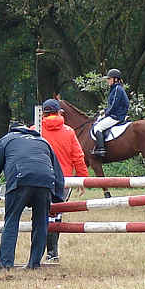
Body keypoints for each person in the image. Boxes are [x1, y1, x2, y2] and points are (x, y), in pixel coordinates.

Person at [0, 122, 65, 272]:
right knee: (41, 223)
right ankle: (34, 264)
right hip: (45, 181)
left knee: (11, 221)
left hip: (20, 179)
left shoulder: (7, 139)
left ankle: (5, 265)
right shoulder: (43, 141)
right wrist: (57, 200)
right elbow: (58, 172)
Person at [33, 98, 89, 263]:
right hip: (63, 180)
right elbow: (78, 156)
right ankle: (52, 252)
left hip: (40, 178)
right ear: (59, 113)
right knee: (56, 214)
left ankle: (38, 252)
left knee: (41, 213)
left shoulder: (34, 130)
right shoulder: (69, 131)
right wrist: (82, 178)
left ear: (43, 114)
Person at [92, 68, 129, 156]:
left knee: (97, 128)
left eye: (109, 79)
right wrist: (104, 111)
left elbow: (114, 105)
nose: (108, 81)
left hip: (116, 116)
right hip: (115, 114)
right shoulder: (115, 88)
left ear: (115, 79)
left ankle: (101, 149)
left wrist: (106, 113)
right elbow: (112, 105)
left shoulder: (117, 89)